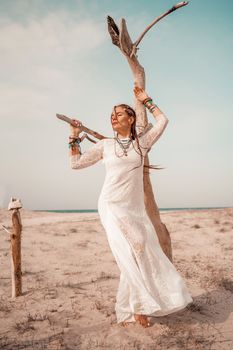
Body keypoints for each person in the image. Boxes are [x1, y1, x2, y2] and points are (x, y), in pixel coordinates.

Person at [68, 86, 193, 328]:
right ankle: (139, 309)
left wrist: (147, 100)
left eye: (119, 113)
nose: (113, 116)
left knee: (140, 251)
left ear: (131, 118)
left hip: (134, 210)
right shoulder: (104, 146)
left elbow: (163, 121)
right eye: (111, 114)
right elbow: (75, 164)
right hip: (110, 205)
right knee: (129, 251)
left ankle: (129, 308)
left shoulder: (141, 145)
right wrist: (73, 136)